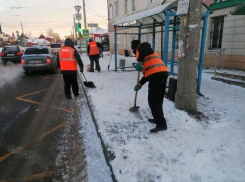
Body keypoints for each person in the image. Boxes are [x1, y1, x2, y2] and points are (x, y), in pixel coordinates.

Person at [134, 42, 168, 133]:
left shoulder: (143, 47)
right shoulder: (146, 57)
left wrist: (140, 62)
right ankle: (158, 119)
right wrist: (140, 84)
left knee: (153, 100)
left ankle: (161, 124)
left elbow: (146, 46)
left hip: (157, 75)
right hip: (161, 73)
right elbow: (148, 74)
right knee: (158, 99)